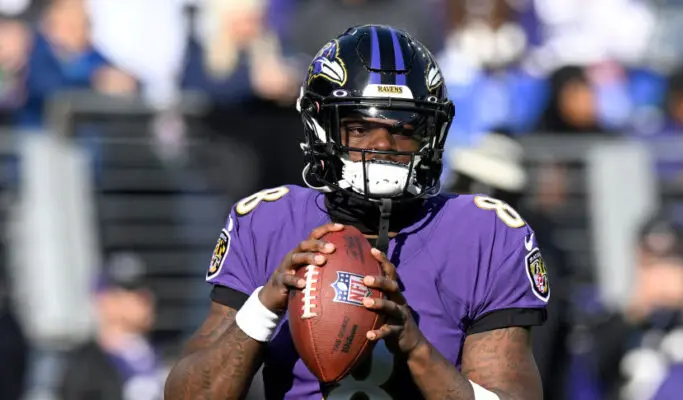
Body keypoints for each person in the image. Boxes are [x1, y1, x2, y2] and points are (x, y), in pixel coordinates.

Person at [164, 25, 549, 400]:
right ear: (322, 128)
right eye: (360, 128)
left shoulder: (486, 233)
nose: (382, 144)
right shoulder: (266, 221)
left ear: (429, 134)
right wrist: (263, 306)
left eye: (402, 128)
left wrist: (418, 352)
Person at [59, 252, 164, 400]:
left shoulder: (166, 353)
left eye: (147, 289)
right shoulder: (85, 366)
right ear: (104, 300)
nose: (146, 298)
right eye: (131, 291)